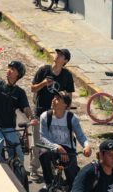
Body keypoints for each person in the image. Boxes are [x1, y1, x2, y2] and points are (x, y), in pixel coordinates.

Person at [30, 48, 75, 177]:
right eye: (57, 53)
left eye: (61, 55)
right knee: (37, 144)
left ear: (65, 60)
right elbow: (33, 89)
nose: (57, 55)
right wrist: (43, 83)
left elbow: (69, 95)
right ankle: (34, 168)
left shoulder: (67, 75)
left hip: (56, 116)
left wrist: (66, 111)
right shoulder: (44, 70)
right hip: (40, 112)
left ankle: (50, 170)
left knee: (54, 144)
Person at [37, 91, 91, 189]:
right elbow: (43, 137)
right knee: (43, 154)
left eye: (57, 99)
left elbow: (81, 136)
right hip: (52, 147)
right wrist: (58, 148)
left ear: (65, 105)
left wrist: (86, 146)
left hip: (68, 149)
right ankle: (49, 182)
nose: (53, 100)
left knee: (73, 183)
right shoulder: (45, 116)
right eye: (54, 97)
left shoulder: (72, 118)